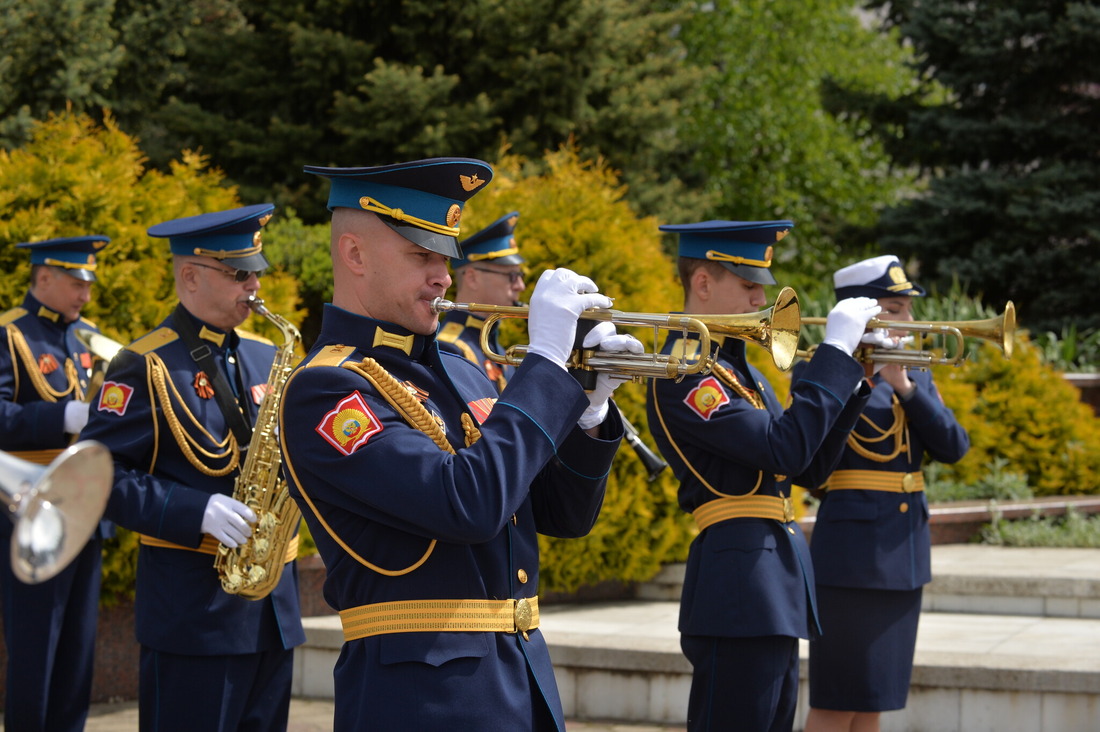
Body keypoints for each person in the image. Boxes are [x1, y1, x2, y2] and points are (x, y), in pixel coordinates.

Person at [279, 157, 637, 731]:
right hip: (422, 698)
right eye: (421, 255)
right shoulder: (326, 389)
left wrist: (590, 411)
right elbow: (467, 503)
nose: (443, 275)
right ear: (355, 255)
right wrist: (544, 365)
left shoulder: (463, 371)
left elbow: (560, 513)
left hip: (519, 682)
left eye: (445, 256)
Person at [644, 220, 882, 732]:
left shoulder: (739, 372)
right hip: (739, 589)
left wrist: (856, 383)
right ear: (704, 283)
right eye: (749, 286)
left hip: (769, 587)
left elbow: (809, 467)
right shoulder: (685, 371)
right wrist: (834, 354)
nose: (761, 299)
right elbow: (784, 446)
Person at [78, 204, 305, 731]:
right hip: (194, 615)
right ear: (190, 276)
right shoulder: (144, 363)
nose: (253, 285)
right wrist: (192, 509)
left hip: (273, 610)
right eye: (238, 274)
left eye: (255, 272)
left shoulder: (263, 353)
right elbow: (94, 474)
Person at [800, 255, 970, 732]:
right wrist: (863, 378)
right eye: (896, 308)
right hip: (853, 557)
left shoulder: (915, 375)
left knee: (876, 698)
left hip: (904, 551)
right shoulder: (822, 369)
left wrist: (904, 387)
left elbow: (954, 448)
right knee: (837, 701)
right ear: (862, 312)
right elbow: (811, 465)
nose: (911, 321)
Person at [0, 235, 113, 732]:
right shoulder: (8, 335)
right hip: (28, 512)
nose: (84, 294)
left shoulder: (89, 337)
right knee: (35, 650)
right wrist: (61, 415)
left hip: (84, 510)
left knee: (77, 651)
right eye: (74, 282)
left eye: (87, 284)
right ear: (42, 277)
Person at [437, 211, 526, 392]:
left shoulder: (495, 347)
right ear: (472, 278)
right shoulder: (450, 347)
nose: (521, 286)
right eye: (512, 276)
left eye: (520, 276)